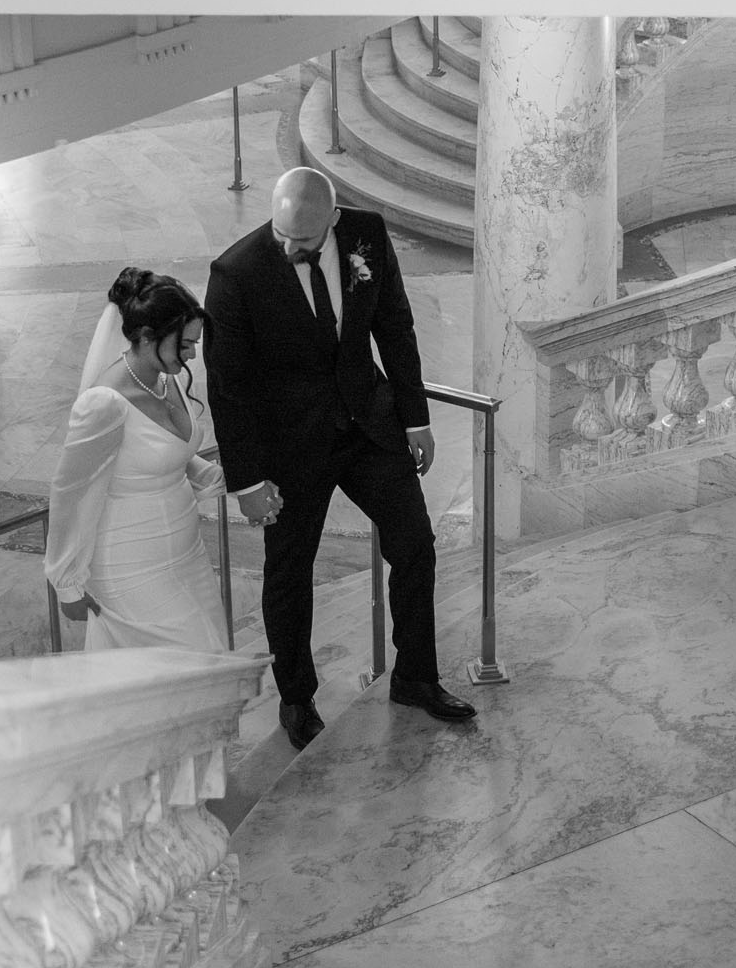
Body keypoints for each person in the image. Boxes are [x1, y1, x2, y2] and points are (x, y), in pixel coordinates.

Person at [205, 166, 475, 749]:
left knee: (415, 545)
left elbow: (395, 325)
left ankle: (415, 677)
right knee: (289, 571)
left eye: (303, 239)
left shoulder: (366, 235)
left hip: (368, 426)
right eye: (282, 235)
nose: (290, 247)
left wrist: (415, 416)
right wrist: (247, 481)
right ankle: (297, 700)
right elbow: (228, 385)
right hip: (291, 445)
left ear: (332, 218)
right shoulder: (236, 273)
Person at [45, 268, 229, 654]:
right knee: (191, 664)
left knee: (212, 650)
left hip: (187, 552)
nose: (193, 355)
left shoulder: (166, 377)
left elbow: (161, 453)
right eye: (184, 345)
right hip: (130, 565)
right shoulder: (103, 403)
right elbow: (69, 492)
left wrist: (220, 475)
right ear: (146, 338)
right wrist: (67, 583)